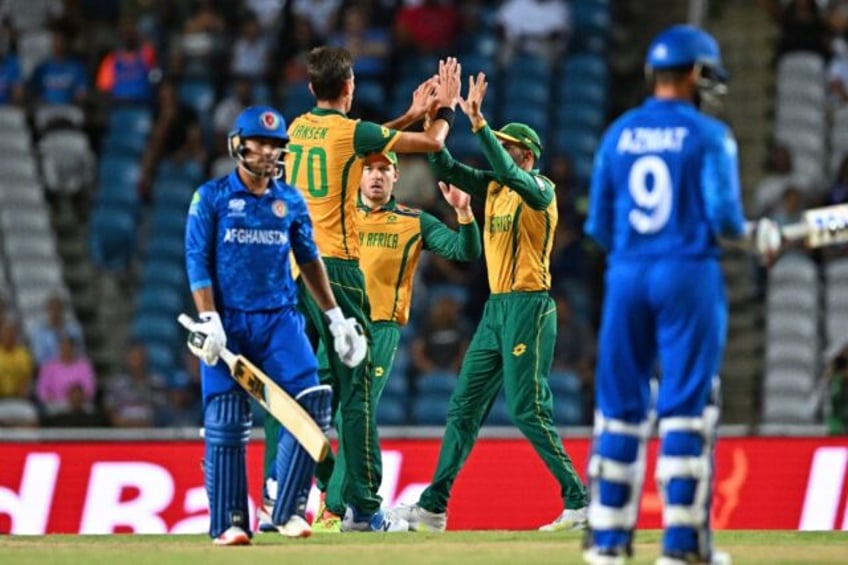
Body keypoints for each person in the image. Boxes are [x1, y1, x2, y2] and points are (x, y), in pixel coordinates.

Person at [580, 25, 781, 565]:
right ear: (693, 74)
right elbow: (724, 218)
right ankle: (680, 547)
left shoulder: (617, 134)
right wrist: (756, 234)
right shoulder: (709, 135)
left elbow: (598, 225)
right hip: (687, 274)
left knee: (620, 411)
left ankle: (606, 544)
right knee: (686, 410)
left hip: (626, 276)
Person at [260, 46, 461, 534]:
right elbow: (432, 144)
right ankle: (366, 511)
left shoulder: (295, 129)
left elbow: (351, 145)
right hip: (338, 275)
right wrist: (442, 111)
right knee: (357, 393)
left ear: (311, 89)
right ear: (350, 87)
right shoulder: (352, 132)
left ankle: (274, 499)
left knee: (286, 388)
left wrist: (406, 115)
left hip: (291, 273)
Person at [389, 73, 588, 533]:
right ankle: (434, 507)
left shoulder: (542, 191)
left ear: (526, 154)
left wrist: (478, 122)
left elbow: (512, 173)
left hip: (529, 308)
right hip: (496, 310)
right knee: (462, 407)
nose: (497, 149)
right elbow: (447, 168)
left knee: (527, 408)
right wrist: (437, 115)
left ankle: (579, 502)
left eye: (506, 146)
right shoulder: (494, 189)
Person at [183, 105, 366, 545]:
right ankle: (229, 522)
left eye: (276, 146)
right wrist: (208, 318)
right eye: (260, 143)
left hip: (281, 319)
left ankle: (286, 510)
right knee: (227, 420)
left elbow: (309, 260)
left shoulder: (291, 201)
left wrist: (336, 318)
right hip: (228, 323)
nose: (269, 152)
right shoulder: (211, 198)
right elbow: (197, 260)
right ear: (237, 146)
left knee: (314, 405)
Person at [311, 151, 481, 531]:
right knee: (313, 413)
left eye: (383, 170)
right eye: (368, 169)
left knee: (352, 414)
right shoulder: (336, 217)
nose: (375, 176)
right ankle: (338, 494)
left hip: (378, 330)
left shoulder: (412, 221)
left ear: (395, 177)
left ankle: (336, 509)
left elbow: (465, 251)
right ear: (357, 176)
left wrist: (464, 214)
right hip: (334, 326)